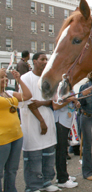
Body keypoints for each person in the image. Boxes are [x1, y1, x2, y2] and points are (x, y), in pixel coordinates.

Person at [19, 52, 58, 192]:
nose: (45, 61)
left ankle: (46, 182)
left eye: (46, 59)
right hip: (32, 122)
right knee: (34, 156)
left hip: (48, 120)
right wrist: (41, 121)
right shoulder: (25, 78)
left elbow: (54, 101)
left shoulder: (49, 78)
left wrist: (42, 103)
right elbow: (29, 103)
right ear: (34, 61)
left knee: (48, 154)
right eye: (42, 59)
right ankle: (33, 185)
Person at [0, 68, 32, 192]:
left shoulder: (9, 93)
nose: (5, 79)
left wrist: (19, 80)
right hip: (2, 139)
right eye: (1, 77)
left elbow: (27, 95)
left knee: (12, 170)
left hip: (16, 136)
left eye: (6, 77)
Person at [52, 91, 80, 188]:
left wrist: (76, 103)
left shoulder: (69, 88)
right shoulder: (58, 88)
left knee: (64, 150)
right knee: (61, 150)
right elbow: (55, 106)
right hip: (60, 122)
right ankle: (62, 179)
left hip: (68, 122)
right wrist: (69, 100)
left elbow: (72, 103)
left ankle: (64, 175)